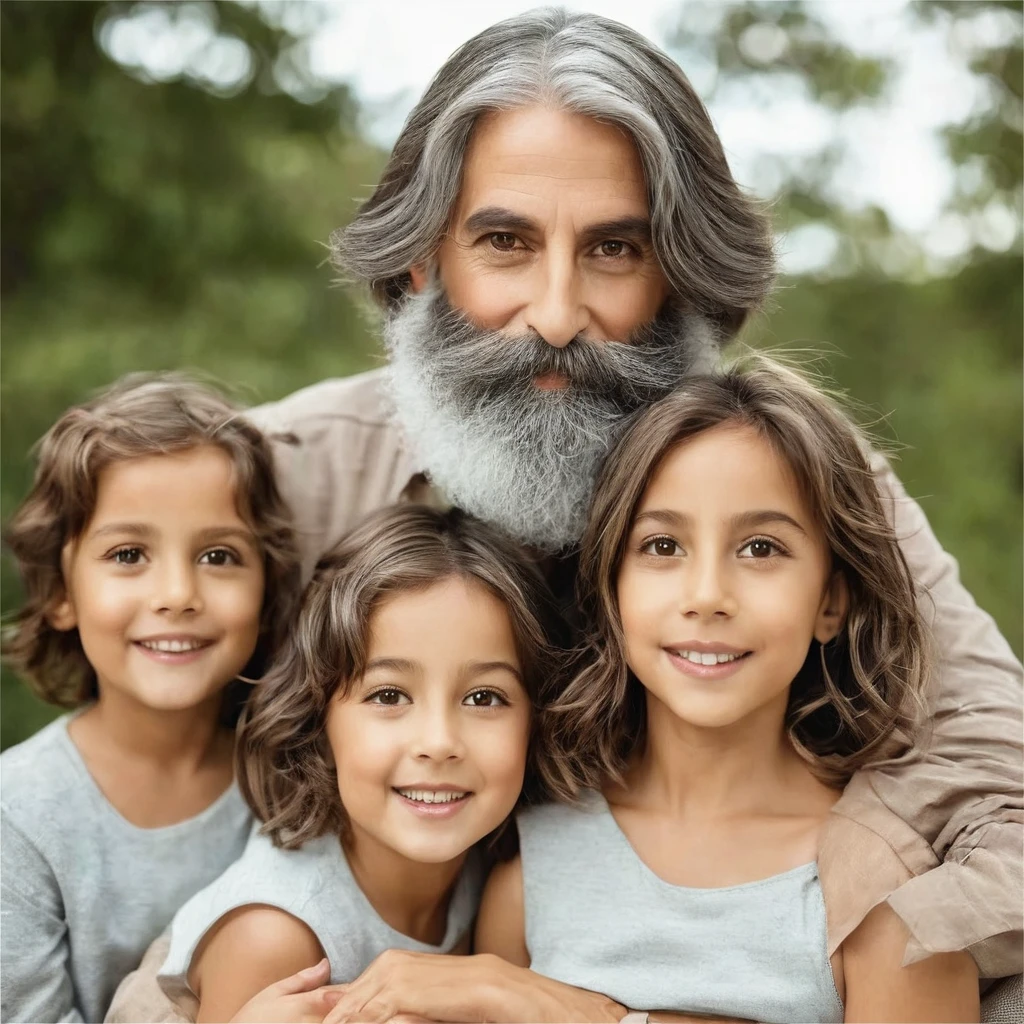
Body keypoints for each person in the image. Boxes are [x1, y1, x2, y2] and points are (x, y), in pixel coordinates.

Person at [100, 7, 1022, 1019]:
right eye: (504, 241)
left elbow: (994, 771)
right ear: (420, 262)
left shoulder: (785, 476)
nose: (554, 314)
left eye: (613, 250)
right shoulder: (277, 479)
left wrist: (837, 901)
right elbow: (139, 784)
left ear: (676, 275)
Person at [320, 356, 980, 1023]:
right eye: (663, 546)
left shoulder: (890, 895)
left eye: (760, 549)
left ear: (830, 601)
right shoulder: (534, 868)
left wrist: (583, 1016)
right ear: (612, 589)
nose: (707, 597)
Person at [148, 505, 569, 1022]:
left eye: (484, 698)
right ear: (318, 717)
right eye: (389, 695)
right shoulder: (277, 940)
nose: (438, 743)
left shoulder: (501, 867)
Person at [0, 374, 301, 1024]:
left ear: (266, 590)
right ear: (61, 592)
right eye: (129, 554)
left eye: (219, 556)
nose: (177, 594)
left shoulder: (293, 785)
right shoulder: (17, 819)